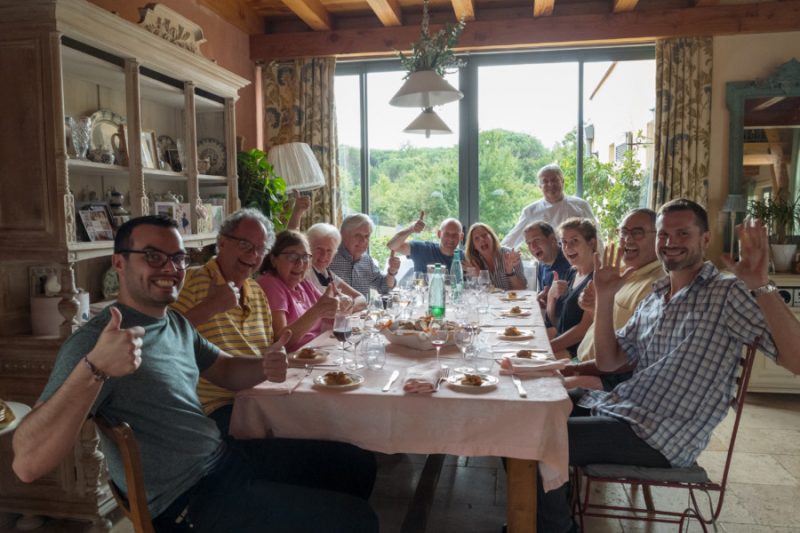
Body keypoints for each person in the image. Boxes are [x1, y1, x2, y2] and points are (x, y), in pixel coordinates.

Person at [12, 215, 378, 532]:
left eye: (178, 258)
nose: (170, 268)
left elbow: (224, 370)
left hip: (222, 460)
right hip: (184, 502)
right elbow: (28, 463)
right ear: (119, 263)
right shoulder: (94, 343)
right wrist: (94, 368)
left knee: (356, 465)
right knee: (355, 520)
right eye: (153, 256)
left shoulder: (172, 322)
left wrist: (265, 365)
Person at [537, 199, 800, 533]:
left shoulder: (726, 293)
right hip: (623, 408)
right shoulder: (657, 294)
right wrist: (604, 296)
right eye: (664, 234)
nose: (670, 241)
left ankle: (553, 528)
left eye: (682, 233)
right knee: (536, 409)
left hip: (659, 435)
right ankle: (545, 516)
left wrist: (761, 285)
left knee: (539, 441)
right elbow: (610, 360)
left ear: (705, 240)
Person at [171, 208, 276, 434]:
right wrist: (212, 306)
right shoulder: (192, 282)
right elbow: (165, 338)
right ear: (222, 242)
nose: (254, 255)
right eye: (245, 245)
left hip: (259, 400)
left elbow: (265, 351)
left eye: (261, 249)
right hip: (215, 409)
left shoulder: (256, 291)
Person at [562, 208, 663, 390]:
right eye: (623, 232)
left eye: (637, 232)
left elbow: (631, 359)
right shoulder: (624, 273)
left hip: (608, 378)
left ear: (659, 237)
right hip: (583, 362)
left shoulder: (658, 285)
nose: (628, 239)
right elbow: (605, 323)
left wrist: (570, 369)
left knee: (535, 393)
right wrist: (594, 305)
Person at [258, 230, 339, 352]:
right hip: (293, 362)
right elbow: (280, 342)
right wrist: (317, 311)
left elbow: (329, 313)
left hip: (317, 352)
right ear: (274, 260)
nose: (300, 263)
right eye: (291, 257)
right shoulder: (270, 283)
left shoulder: (303, 282)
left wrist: (341, 305)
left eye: (305, 257)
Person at [502, 164, 597, 249]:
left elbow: (596, 237)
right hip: (546, 265)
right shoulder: (530, 211)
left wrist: (599, 263)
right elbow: (512, 239)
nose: (551, 184)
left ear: (562, 181)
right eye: (545, 181)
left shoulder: (581, 205)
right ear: (540, 186)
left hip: (579, 263)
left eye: (554, 180)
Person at [545, 218, 597, 359]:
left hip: (578, 354)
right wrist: (551, 297)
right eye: (564, 242)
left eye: (575, 241)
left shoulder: (597, 279)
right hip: (561, 344)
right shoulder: (571, 273)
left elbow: (583, 329)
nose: (568, 247)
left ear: (591, 243)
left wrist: (547, 348)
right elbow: (557, 324)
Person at [329, 213, 401, 300]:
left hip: (361, 312)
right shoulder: (329, 258)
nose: (363, 241)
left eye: (367, 236)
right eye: (358, 235)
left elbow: (384, 287)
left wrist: (391, 272)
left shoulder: (366, 260)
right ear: (343, 235)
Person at [305, 222, 368, 313]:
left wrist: (348, 307)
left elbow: (361, 298)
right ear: (308, 249)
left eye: (329, 250)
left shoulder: (327, 274)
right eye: (319, 249)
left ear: (334, 253)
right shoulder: (305, 273)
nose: (324, 255)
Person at [386, 210, 464, 273]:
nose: (451, 238)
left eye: (455, 235)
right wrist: (411, 229)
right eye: (446, 234)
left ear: (461, 237)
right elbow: (392, 245)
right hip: (422, 292)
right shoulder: (424, 249)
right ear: (439, 234)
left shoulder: (465, 258)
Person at [463, 222, 526, 291]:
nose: (482, 240)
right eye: (477, 238)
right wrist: (479, 275)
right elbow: (475, 293)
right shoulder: (473, 263)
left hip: (512, 301)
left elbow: (522, 288)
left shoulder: (510, 256)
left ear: (492, 237)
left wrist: (510, 272)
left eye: (484, 235)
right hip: (487, 301)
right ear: (474, 246)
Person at [524, 221, 571, 305]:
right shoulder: (542, 263)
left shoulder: (571, 261)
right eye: (529, 243)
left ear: (552, 239)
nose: (533, 247)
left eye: (537, 240)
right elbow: (546, 298)